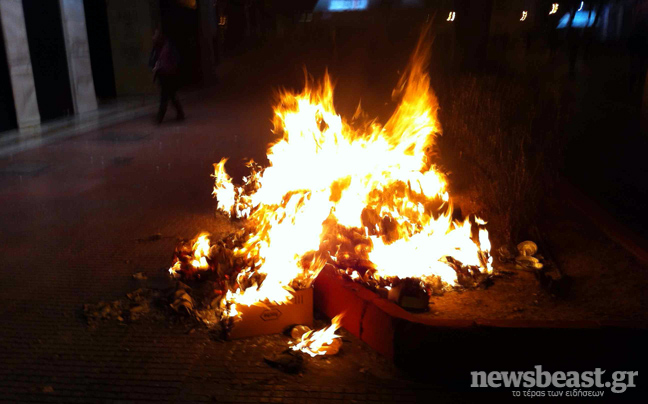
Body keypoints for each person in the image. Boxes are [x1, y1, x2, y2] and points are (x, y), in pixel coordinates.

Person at [150, 29, 185, 123]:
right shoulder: (156, 48)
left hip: (168, 75)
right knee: (172, 95)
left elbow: (175, 60)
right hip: (163, 75)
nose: (153, 38)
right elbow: (152, 60)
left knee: (164, 96)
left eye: (155, 35)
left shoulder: (168, 47)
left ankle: (160, 118)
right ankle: (180, 113)